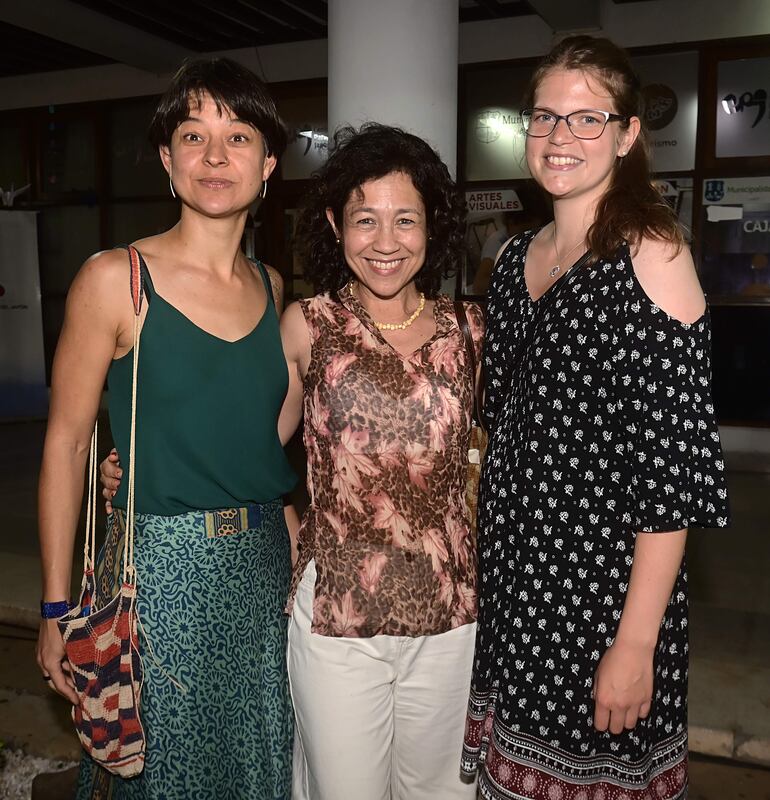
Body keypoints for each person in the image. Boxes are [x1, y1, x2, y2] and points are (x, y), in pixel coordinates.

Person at [463, 36, 730, 800]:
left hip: (604, 595)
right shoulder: (515, 261)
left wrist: (636, 643)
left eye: (587, 120)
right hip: (519, 587)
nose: (559, 139)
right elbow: (505, 425)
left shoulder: (652, 255)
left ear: (626, 134)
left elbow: (673, 474)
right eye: (545, 118)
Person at [36, 57, 296, 800]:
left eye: (239, 137)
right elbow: (65, 443)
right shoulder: (114, 279)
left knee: (259, 761)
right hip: (158, 574)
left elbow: (251, 431)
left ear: (269, 163)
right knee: (165, 772)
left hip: (262, 569)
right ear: (167, 159)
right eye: (193, 135)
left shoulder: (272, 285)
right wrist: (57, 607)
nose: (216, 157)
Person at [280, 123, 484, 799]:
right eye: (366, 220)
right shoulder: (308, 324)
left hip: (452, 617)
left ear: (433, 226)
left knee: (442, 794)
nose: (387, 242)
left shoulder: (470, 331)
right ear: (337, 225)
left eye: (406, 219)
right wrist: (138, 466)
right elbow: (252, 446)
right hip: (340, 615)